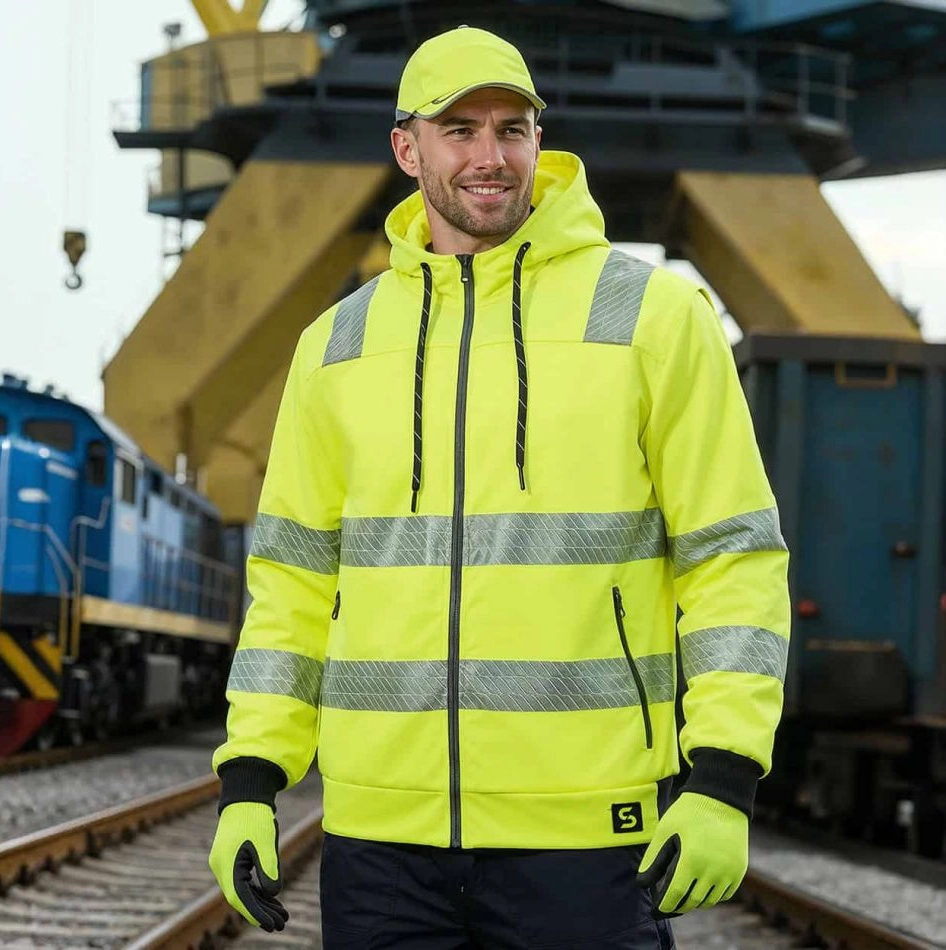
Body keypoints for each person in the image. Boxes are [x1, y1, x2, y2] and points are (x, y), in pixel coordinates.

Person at [208, 25, 790, 950]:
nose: (491, 156)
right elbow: (291, 584)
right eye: (460, 130)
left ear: (538, 141)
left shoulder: (655, 318)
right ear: (408, 150)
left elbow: (732, 557)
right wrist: (251, 777)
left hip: (587, 835)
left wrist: (724, 775)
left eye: (512, 129)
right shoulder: (336, 347)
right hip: (381, 842)